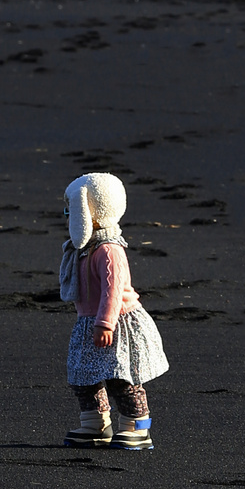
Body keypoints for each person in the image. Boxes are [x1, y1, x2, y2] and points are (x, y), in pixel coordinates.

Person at [58, 172, 169, 449]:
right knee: (83, 376)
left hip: (116, 323)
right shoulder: (82, 249)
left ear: (90, 211)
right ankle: (95, 422)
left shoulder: (109, 250)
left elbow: (113, 291)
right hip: (88, 322)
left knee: (122, 377)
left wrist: (105, 323)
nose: (67, 215)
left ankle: (136, 425)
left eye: (71, 209)